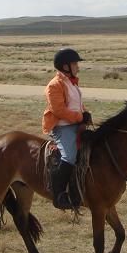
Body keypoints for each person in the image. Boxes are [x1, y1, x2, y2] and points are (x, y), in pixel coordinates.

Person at [42, 48, 92, 209]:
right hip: (62, 127)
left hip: (75, 124)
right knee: (69, 156)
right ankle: (59, 195)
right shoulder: (54, 85)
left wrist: (85, 114)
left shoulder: (71, 82)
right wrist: (80, 117)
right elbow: (59, 110)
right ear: (65, 66)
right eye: (75, 63)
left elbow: (76, 105)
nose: (78, 66)